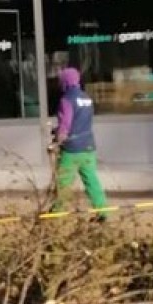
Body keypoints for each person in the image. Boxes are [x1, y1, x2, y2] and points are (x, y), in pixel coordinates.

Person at [51, 67, 109, 218]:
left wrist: (58, 138)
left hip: (72, 150)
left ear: (65, 81)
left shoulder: (67, 99)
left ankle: (56, 213)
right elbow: (82, 121)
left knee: (63, 182)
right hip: (89, 147)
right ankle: (103, 213)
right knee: (92, 181)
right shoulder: (87, 98)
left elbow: (66, 124)